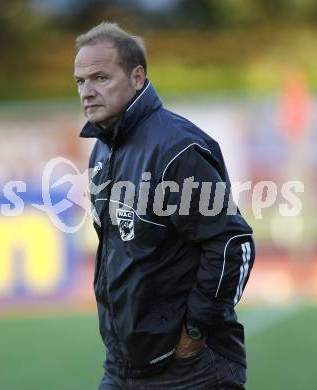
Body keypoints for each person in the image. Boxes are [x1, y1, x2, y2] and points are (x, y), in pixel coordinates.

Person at [75, 22, 255, 389]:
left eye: (100, 78)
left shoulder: (175, 149)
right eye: (80, 81)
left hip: (189, 368)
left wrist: (195, 331)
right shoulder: (103, 148)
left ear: (137, 77)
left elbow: (231, 244)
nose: (87, 92)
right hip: (123, 364)